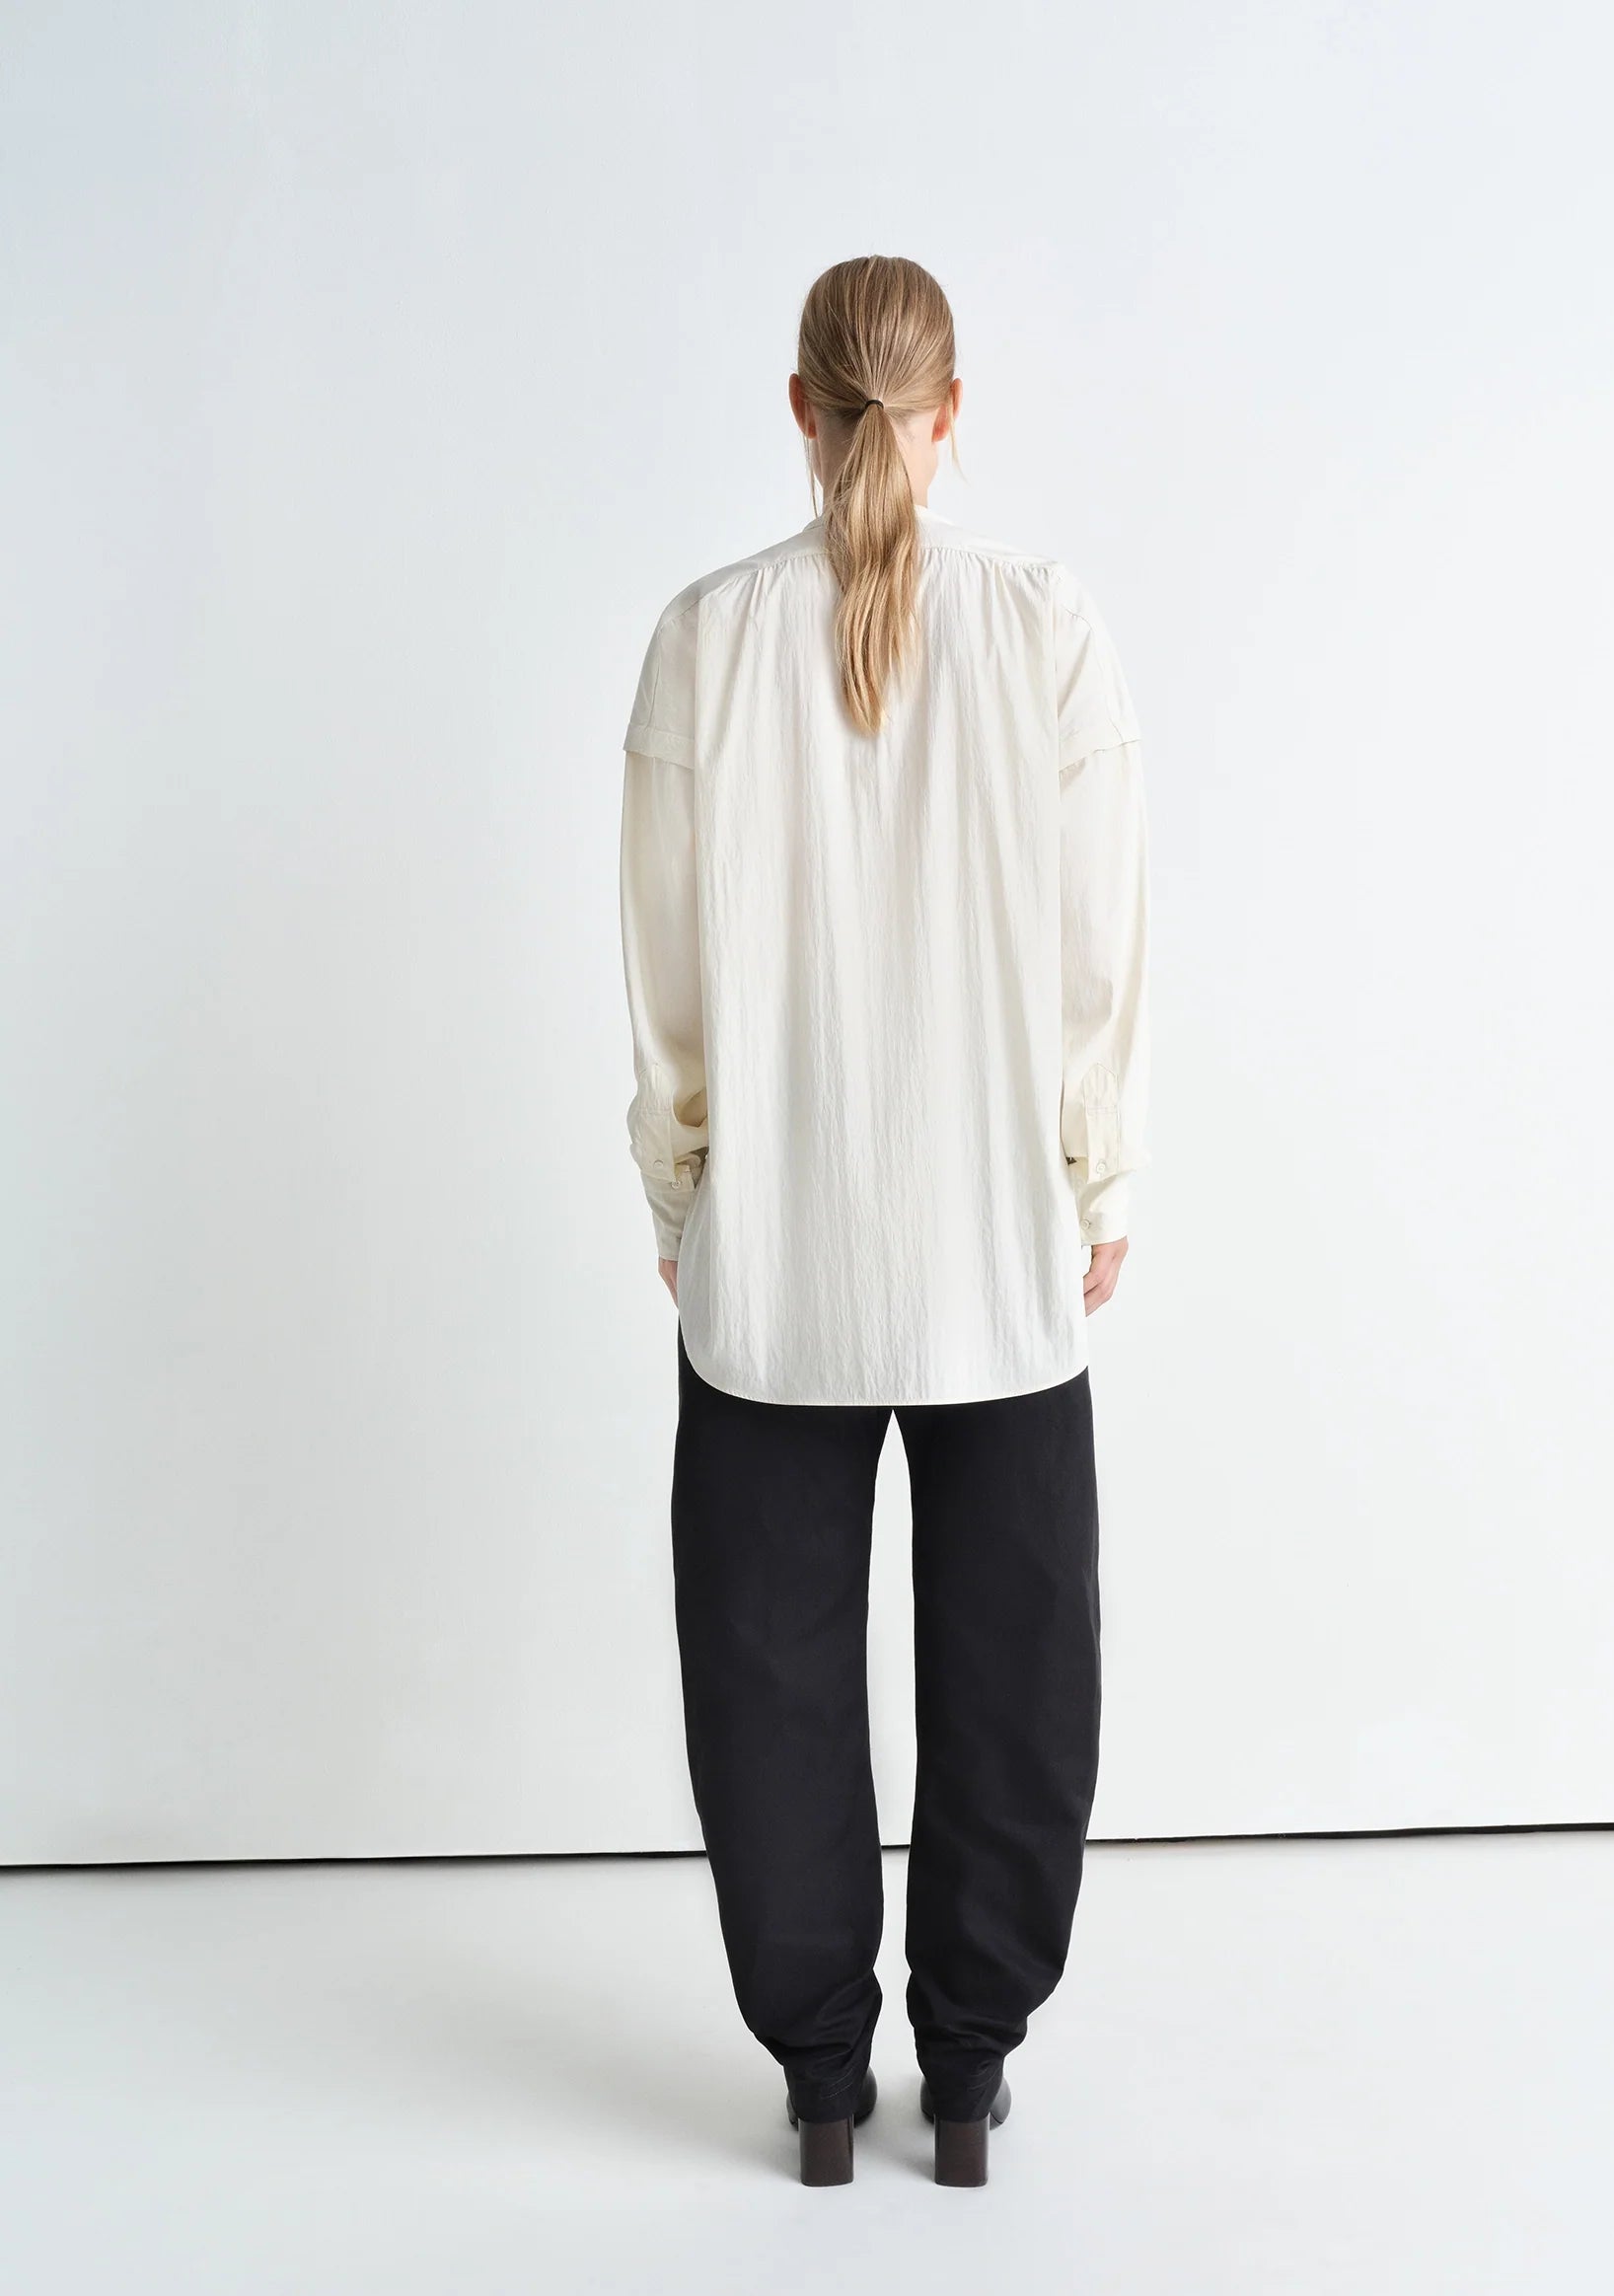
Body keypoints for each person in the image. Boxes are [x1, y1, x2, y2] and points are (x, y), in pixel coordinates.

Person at [618, 255, 1149, 2188]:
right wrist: (1096, 1172)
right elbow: (1098, 943)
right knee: (1020, 1665)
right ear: (949, 413)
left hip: (780, 1252)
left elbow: (666, 968)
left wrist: (682, 1180)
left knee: (766, 1669)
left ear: (800, 406)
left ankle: (824, 2081)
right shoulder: (1045, 626)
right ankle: (973, 2068)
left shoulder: (704, 640)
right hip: (995, 1247)